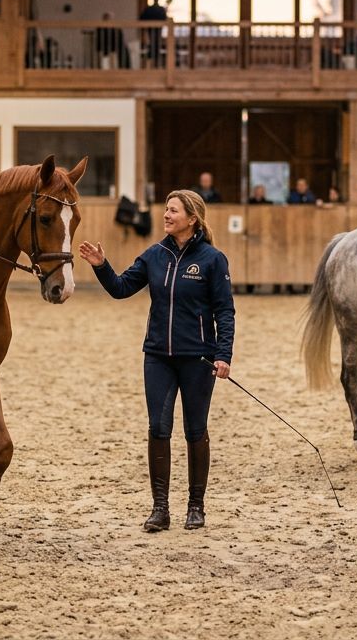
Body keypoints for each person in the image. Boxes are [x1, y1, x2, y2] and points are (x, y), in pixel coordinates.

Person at [79, 190, 235, 533]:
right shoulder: (154, 255)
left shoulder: (212, 260)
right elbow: (121, 288)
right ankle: (160, 508)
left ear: (191, 219)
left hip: (198, 359)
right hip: (158, 359)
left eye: (173, 210)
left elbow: (225, 311)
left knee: (195, 431)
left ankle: (196, 507)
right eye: (166, 209)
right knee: (158, 429)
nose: (166, 215)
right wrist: (101, 267)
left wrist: (223, 354)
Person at [139, 0, 168, 68]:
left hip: (155, 31)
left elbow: (142, 18)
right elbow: (142, 19)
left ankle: (154, 64)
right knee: (153, 46)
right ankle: (152, 64)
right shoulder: (154, 9)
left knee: (154, 46)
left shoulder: (155, 9)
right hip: (152, 31)